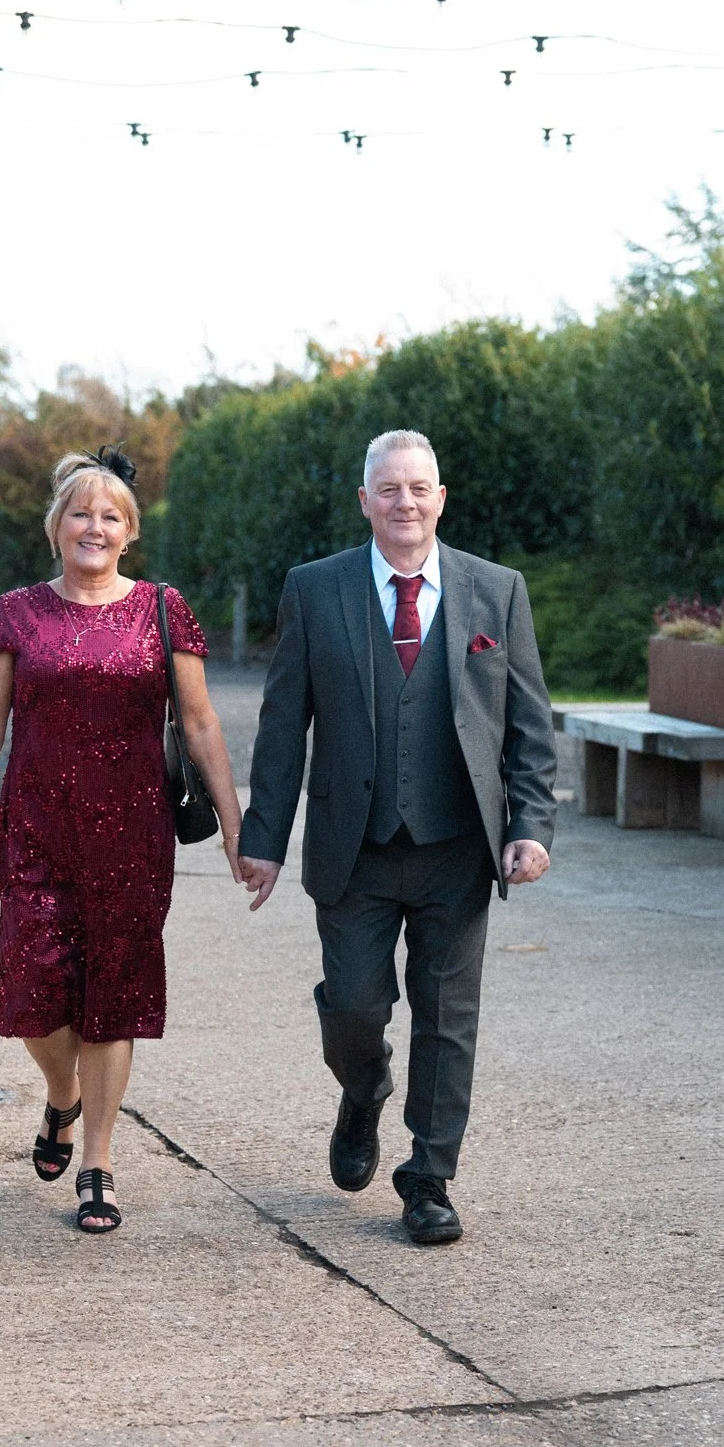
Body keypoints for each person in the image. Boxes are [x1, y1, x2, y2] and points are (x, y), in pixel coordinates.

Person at [237, 429, 557, 1245]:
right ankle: (363, 1087)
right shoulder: (315, 590)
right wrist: (263, 836)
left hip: (457, 847)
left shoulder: (497, 592)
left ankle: (428, 1180)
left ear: (440, 498)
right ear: (365, 501)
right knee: (353, 1008)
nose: (404, 503)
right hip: (355, 847)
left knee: (448, 1016)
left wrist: (529, 826)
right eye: (389, 489)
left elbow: (527, 725)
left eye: (419, 488)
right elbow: (283, 726)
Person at [0, 447, 241, 1234]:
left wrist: (237, 826)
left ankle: (98, 1161)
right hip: (38, 828)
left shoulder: (161, 610)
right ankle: (62, 1097)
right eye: (81, 512)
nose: (94, 526)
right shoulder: (15, 614)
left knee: (115, 999)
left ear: (129, 532)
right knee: (35, 1000)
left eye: (110, 516)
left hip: (134, 835)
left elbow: (202, 724)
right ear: (56, 525)